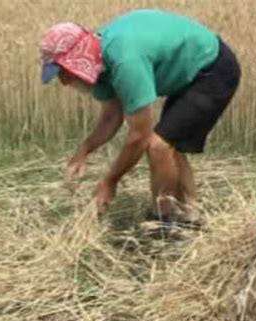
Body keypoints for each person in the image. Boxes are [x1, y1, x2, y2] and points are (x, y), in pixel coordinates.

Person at [40, 9, 241, 225]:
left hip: (213, 68)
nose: (63, 81)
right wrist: (83, 151)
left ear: (78, 59)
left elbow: (139, 137)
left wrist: (110, 182)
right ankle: (191, 215)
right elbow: (111, 117)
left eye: (63, 72)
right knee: (169, 143)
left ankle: (164, 219)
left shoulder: (125, 60)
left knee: (159, 145)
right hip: (189, 74)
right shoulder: (101, 63)